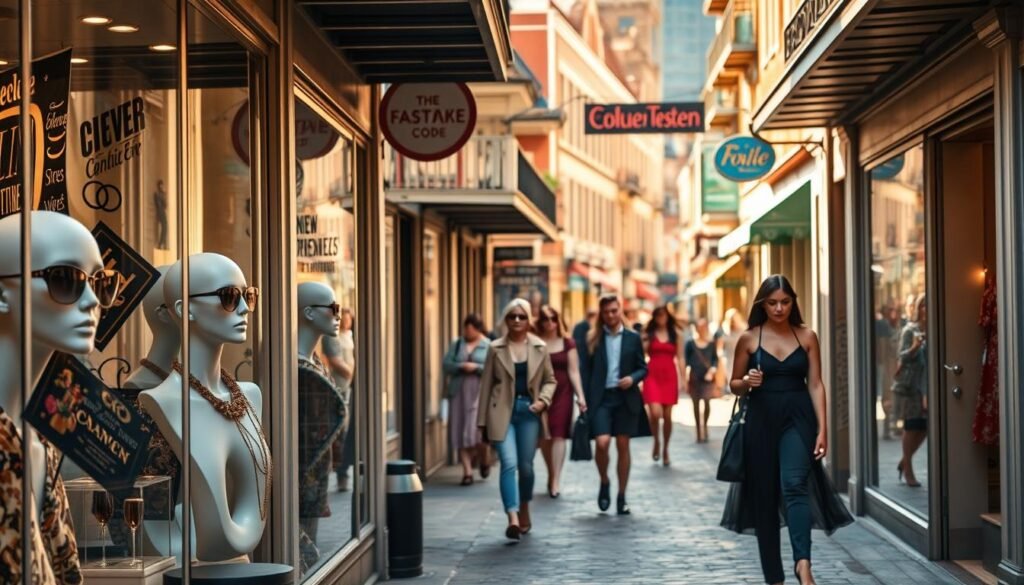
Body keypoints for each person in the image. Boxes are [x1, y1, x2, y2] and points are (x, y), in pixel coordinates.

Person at [721, 274, 852, 585]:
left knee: (794, 484)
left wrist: (823, 430)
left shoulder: (806, 336)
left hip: (799, 418)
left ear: (793, 303)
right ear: (762, 304)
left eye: (785, 302)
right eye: (772, 303)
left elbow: (816, 384)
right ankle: (774, 578)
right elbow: (734, 385)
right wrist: (747, 382)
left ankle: (803, 563)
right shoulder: (749, 338)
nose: (779, 308)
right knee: (764, 497)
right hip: (760, 421)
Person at [477, 299, 556, 541]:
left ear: (528, 320)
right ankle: (512, 517)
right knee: (508, 464)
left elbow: (550, 380)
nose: (518, 321)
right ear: (506, 320)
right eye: (513, 317)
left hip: (529, 412)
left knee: (526, 467)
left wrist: (543, 401)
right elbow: (486, 385)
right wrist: (481, 423)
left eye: (522, 316)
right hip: (502, 412)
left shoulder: (540, 347)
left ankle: (524, 507)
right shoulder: (495, 348)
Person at [583, 294, 648, 515]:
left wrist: (633, 378)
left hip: (625, 398)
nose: (611, 315)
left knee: (623, 445)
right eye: (606, 311)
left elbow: (643, 367)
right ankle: (604, 481)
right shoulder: (593, 338)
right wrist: (582, 398)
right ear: (601, 314)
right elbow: (586, 371)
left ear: (620, 310)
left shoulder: (632, 337)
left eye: (614, 310)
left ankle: (621, 496)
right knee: (601, 443)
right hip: (601, 398)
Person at [535, 305, 587, 497]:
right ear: (540, 322)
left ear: (558, 320)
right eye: (545, 319)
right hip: (541, 394)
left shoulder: (568, 343)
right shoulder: (535, 343)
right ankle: (551, 473)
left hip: (563, 392)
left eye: (553, 318)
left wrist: (580, 396)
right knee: (544, 438)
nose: (550, 323)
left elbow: (574, 371)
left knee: (559, 434)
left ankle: (556, 479)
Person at [443, 313, 492, 485]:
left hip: (479, 393)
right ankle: (467, 472)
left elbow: (495, 369)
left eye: (470, 329)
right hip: (459, 393)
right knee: (459, 429)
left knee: (477, 432)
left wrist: (477, 368)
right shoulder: (457, 344)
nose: (467, 332)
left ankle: (484, 458)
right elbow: (446, 364)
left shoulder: (488, 346)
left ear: (478, 329)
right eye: (465, 328)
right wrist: (460, 366)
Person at [892, 294, 928, 487]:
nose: (926, 310)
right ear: (918, 309)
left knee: (926, 427)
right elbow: (901, 356)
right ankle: (909, 471)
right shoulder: (910, 330)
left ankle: (904, 461)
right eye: (923, 306)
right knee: (912, 426)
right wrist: (914, 347)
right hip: (911, 387)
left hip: (928, 386)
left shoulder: (934, 328)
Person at [642, 305, 684, 466]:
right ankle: (656, 441)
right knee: (655, 413)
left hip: (669, 376)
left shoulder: (675, 334)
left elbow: (680, 358)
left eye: (663, 315)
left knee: (667, 417)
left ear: (667, 316)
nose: (661, 318)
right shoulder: (649, 334)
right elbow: (642, 353)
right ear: (654, 317)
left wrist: (684, 378)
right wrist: (644, 341)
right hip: (652, 375)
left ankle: (665, 448)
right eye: (658, 315)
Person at [324, 307, 356, 492]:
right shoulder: (332, 336)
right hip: (339, 387)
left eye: (348, 318)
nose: (346, 321)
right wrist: (353, 374)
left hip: (349, 388)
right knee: (339, 430)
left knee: (346, 431)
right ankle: (338, 471)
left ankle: (342, 471)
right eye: (343, 318)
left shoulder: (349, 336)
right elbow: (335, 361)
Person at [685, 318, 720, 443]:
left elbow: (715, 359)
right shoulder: (690, 343)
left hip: (708, 378)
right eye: (700, 327)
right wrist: (686, 376)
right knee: (695, 404)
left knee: (706, 401)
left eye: (704, 327)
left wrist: (712, 370)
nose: (702, 329)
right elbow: (685, 360)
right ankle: (698, 430)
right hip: (694, 377)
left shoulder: (711, 343)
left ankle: (704, 426)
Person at [718, 308, 747, 392]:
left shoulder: (744, 329)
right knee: (732, 380)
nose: (733, 321)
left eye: (734, 318)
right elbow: (719, 347)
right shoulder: (724, 330)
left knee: (741, 380)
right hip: (729, 358)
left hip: (741, 358)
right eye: (731, 319)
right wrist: (721, 357)